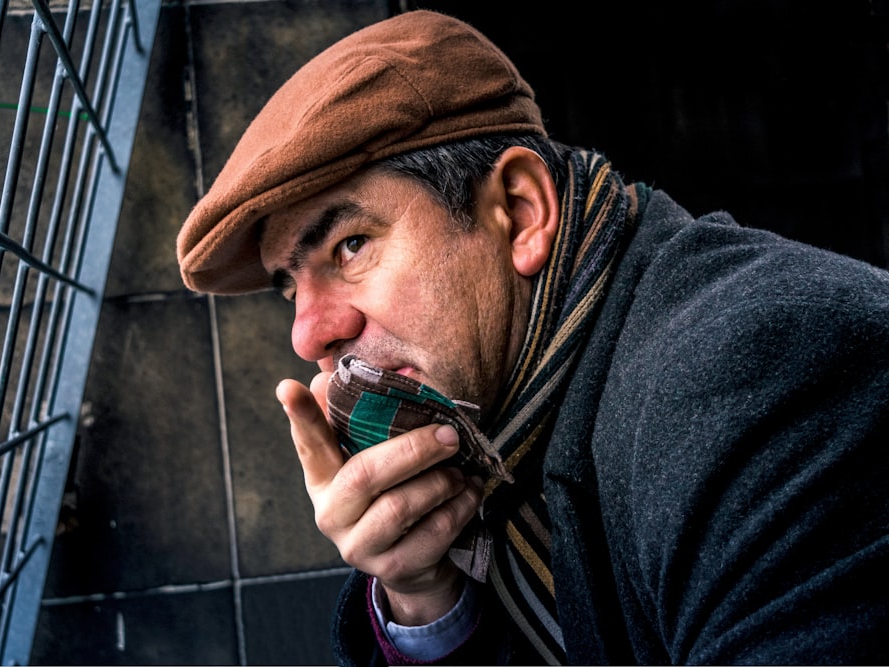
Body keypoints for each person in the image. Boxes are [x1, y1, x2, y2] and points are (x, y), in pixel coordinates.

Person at [177, 9, 889, 665]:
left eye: (351, 245)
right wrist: (425, 595)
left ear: (519, 212)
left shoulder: (760, 374)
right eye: (292, 286)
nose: (309, 333)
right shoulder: (502, 415)